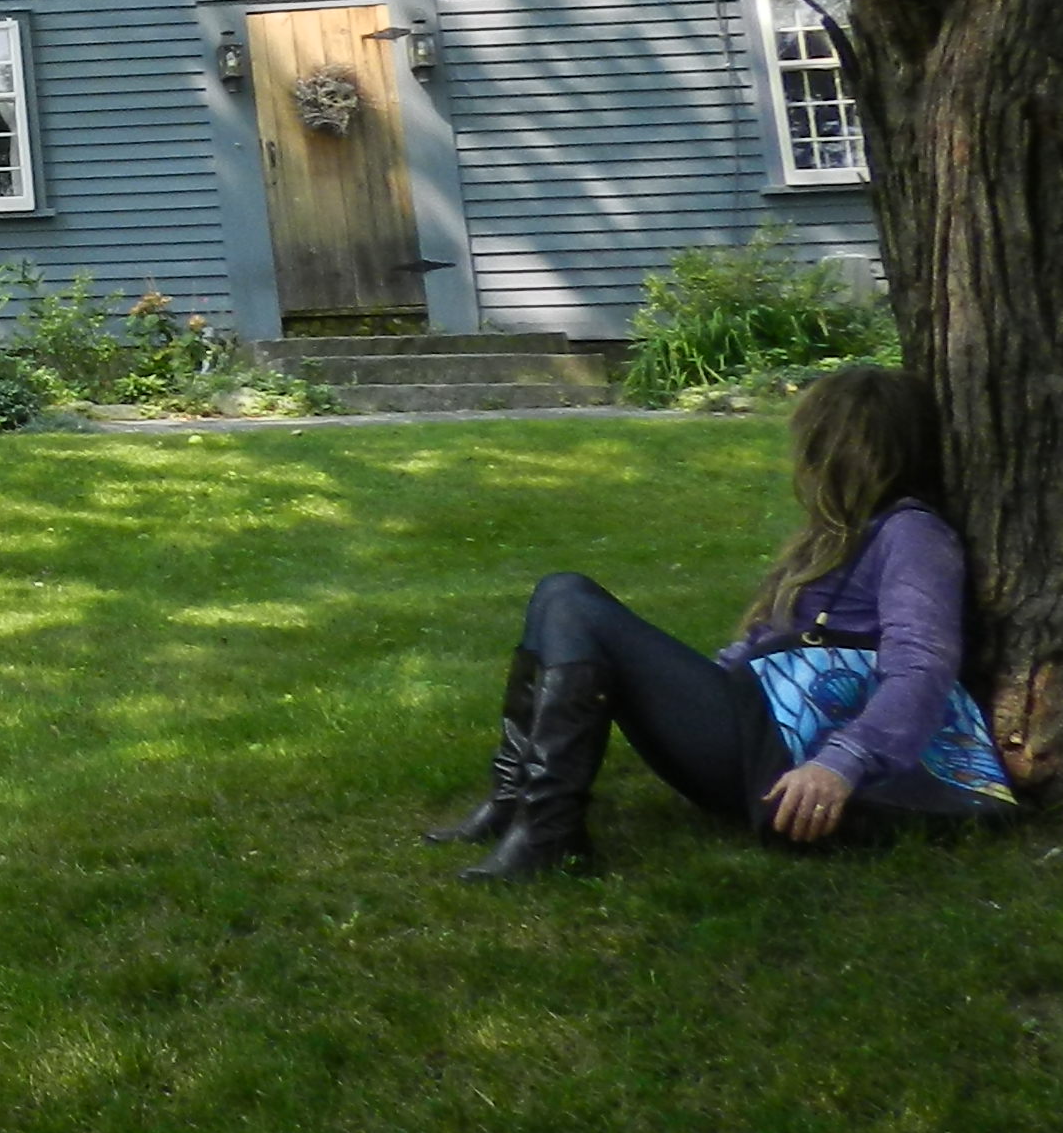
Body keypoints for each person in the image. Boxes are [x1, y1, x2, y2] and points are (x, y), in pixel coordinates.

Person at [428, 364, 1018, 882]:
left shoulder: (911, 533)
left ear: (842, 452)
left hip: (785, 761)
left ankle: (547, 829)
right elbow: (766, 647)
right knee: (561, 596)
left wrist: (840, 763)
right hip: (755, 732)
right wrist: (698, 687)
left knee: (571, 602)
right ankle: (518, 803)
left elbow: (924, 663)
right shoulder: (839, 536)